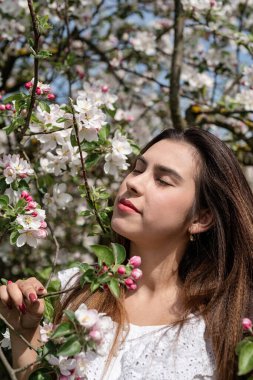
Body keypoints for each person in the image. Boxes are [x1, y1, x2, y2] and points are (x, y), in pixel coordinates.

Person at [1, 127, 253, 380]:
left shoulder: (223, 325)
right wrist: (24, 331)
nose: (133, 182)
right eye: (137, 169)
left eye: (163, 180)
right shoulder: (76, 293)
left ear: (201, 217)